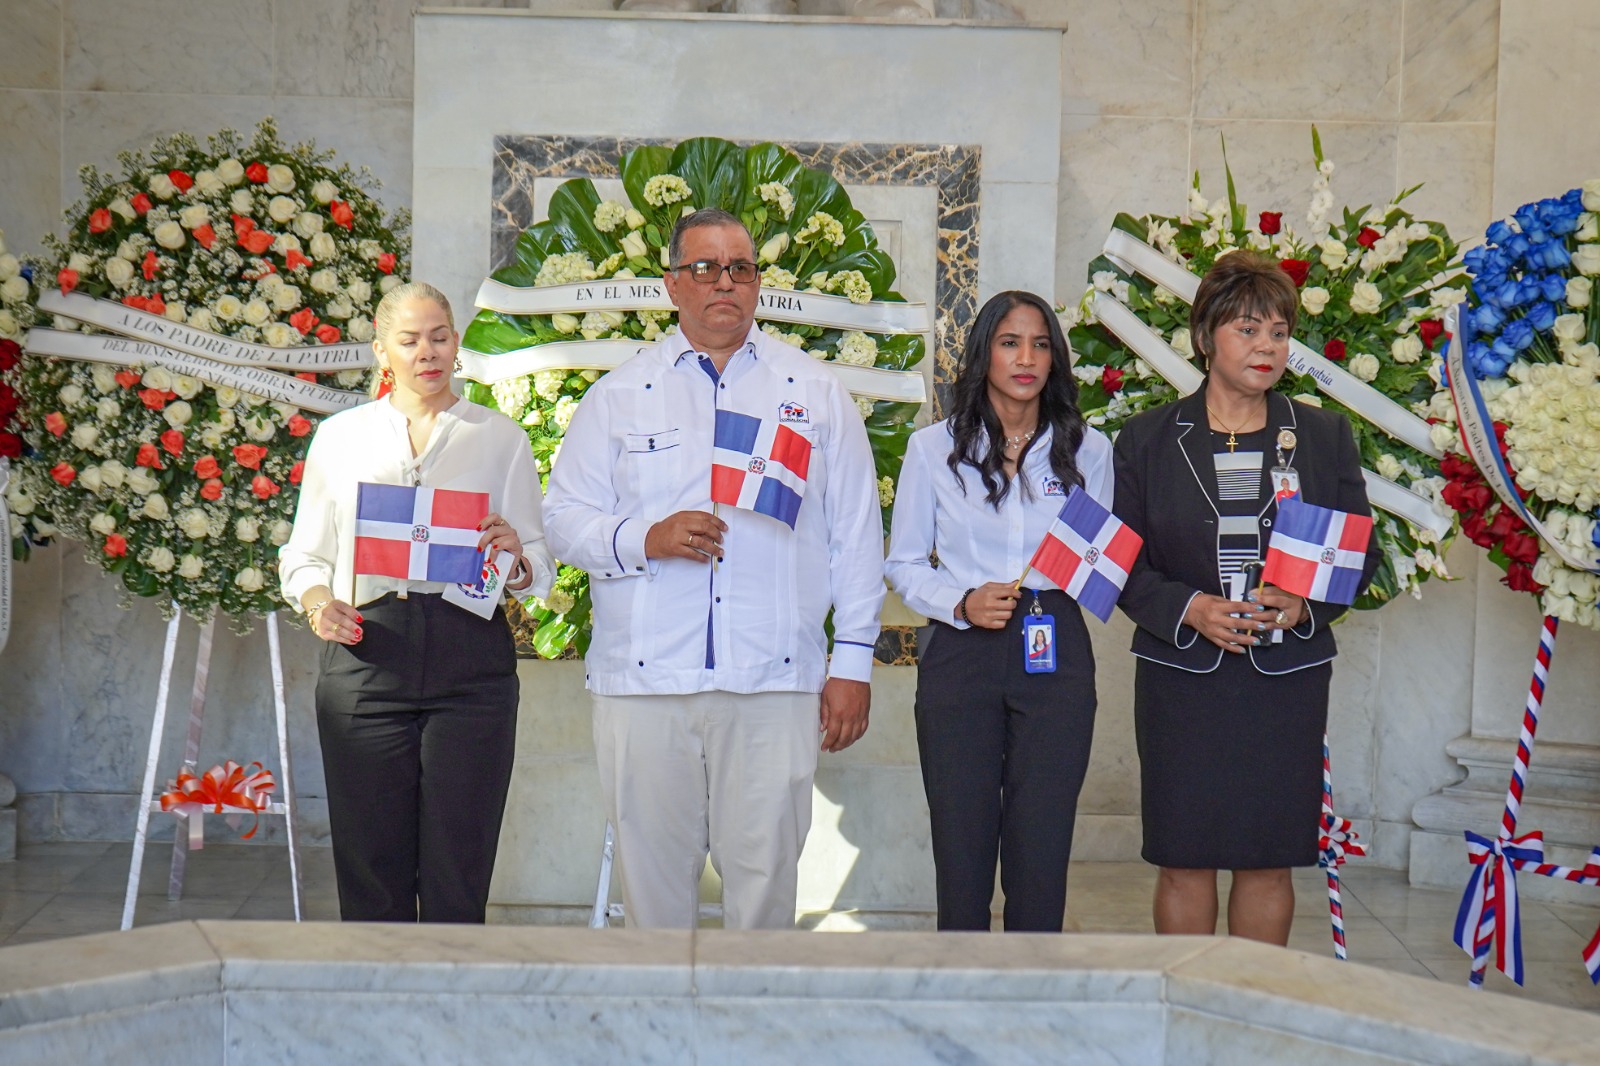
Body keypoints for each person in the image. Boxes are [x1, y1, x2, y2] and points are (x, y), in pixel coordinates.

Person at [543, 209, 884, 930]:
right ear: (672, 284)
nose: (724, 282)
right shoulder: (619, 396)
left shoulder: (814, 394)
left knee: (763, 896)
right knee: (654, 895)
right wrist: (647, 536)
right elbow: (563, 523)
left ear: (758, 281)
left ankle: (749, 1038)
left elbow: (855, 535)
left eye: (741, 267)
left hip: (771, 681)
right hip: (645, 685)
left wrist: (852, 661)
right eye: (705, 268)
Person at [1111, 252, 1380, 945]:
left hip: (1283, 680)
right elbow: (1122, 564)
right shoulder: (1146, 439)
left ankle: (1252, 1015)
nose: (1267, 348)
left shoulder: (1323, 436)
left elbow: (1359, 555)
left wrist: (1302, 606)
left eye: (1280, 333)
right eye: (1248, 330)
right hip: (1182, 680)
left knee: (1267, 861)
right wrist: (1190, 609)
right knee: (1184, 860)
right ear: (1204, 337)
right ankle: (1188, 1010)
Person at [279, 281, 555, 923]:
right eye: (409, 340)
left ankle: (453, 1006)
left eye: (439, 336)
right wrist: (320, 603)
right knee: (370, 860)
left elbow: (537, 563)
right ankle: (378, 1007)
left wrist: (514, 555)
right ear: (382, 352)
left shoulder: (499, 438)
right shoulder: (342, 437)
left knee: (460, 862)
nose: (427, 352)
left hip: (470, 658)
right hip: (367, 651)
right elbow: (303, 556)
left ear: (457, 344)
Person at [886, 290, 1111, 932]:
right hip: (962, 649)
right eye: (1010, 342)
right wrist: (960, 602)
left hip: (1056, 642)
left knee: (1041, 840)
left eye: (1041, 344)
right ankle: (962, 995)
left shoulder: (1089, 451)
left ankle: (1032, 996)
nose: (1026, 358)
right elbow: (902, 563)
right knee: (962, 839)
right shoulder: (932, 450)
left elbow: (1099, 553)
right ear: (985, 352)